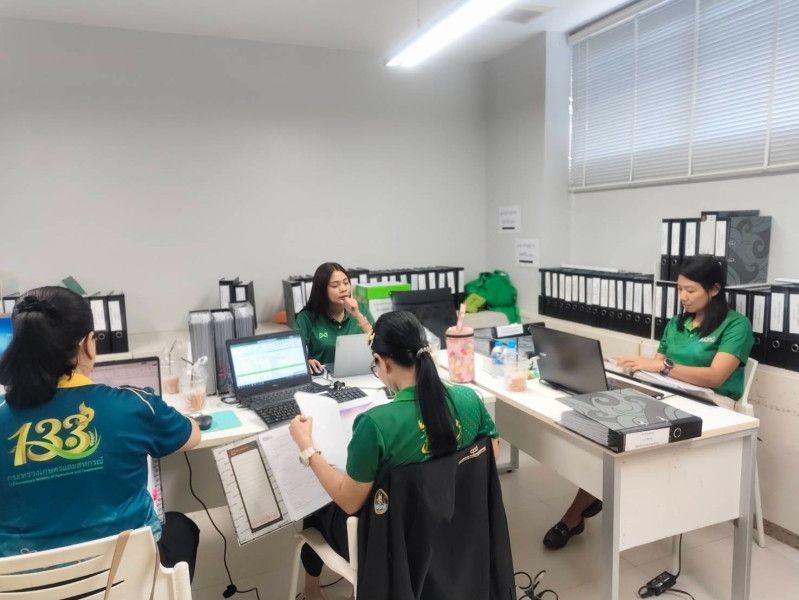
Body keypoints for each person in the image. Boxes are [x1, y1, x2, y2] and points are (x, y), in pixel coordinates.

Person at [543, 254, 754, 550]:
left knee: (624, 437)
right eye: (679, 289)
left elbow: (715, 376)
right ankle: (589, 501)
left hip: (712, 407)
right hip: (670, 396)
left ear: (715, 289)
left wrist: (663, 366)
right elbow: (657, 370)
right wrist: (633, 369)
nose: (682, 296)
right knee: (608, 429)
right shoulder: (677, 323)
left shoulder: (736, 325)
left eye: (690, 290)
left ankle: (574, 514)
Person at [288, 311, 500, 600]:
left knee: (316, 506)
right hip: (457, 532)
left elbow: (349, 501)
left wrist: (307, 448)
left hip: (392, 545)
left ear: (384, 362)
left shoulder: (375, 424)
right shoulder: (469, 399)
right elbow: (489, 462)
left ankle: (311, 591)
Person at [0, 287, 203, 579]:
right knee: (181, 527)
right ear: (88, 344)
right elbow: (192, 435)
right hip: (126, 580)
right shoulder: (133, 406)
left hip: (27, 585)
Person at [295, 262, 373, 374]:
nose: (343, 289)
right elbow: (296, 357)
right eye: (335, 286)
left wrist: (358, 315)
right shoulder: (306, 318)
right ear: (322, 290)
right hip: (324, 377)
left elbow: (378, 345)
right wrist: (306, 362)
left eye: (346, 283)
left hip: (361, 373)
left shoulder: (360, 309)